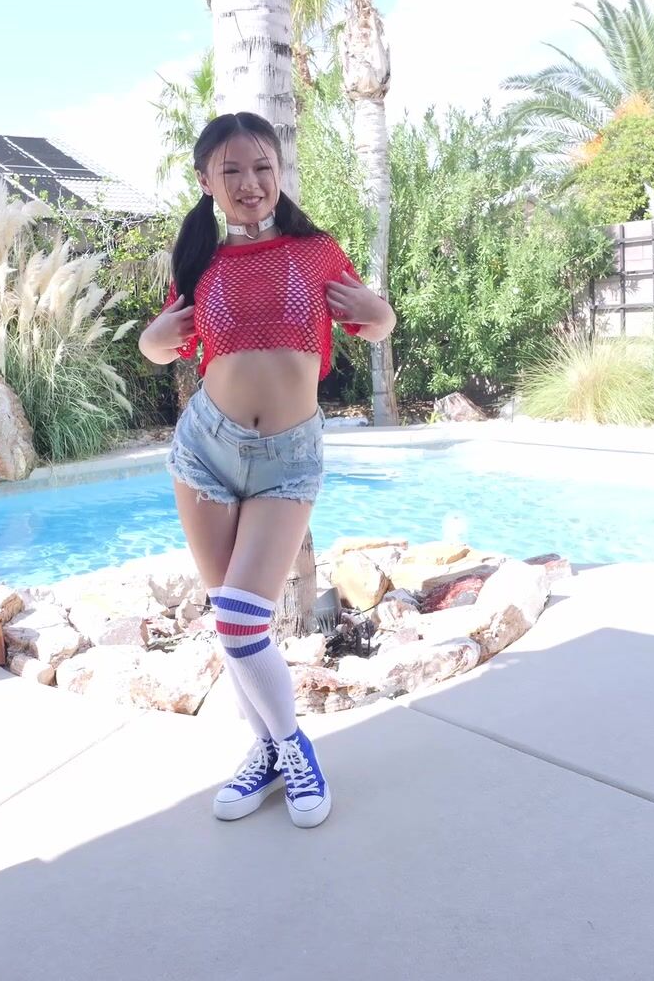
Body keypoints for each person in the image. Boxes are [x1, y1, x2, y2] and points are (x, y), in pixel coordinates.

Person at [138, 112, 396, 829]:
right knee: (233, 621)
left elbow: (374, 325)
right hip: (206, 451)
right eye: (232, 171)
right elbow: (163, 345)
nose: (250, 183)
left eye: (262, 167)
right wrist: (151, 338)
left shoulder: (315, 253)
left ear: (278, 173)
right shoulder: (199, 261)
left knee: (241, 619)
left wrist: (378, 311)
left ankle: (288, 748)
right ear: (206, 181)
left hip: (288, 457)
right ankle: (274, 750)